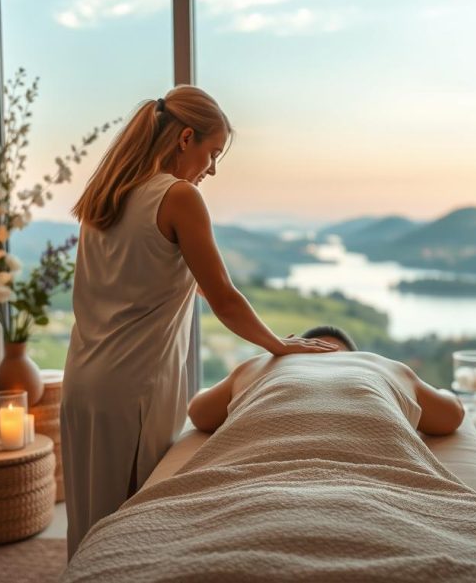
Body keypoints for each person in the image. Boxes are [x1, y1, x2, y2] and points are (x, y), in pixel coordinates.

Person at [61, 86, 338, 557]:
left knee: (91, 528)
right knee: (134, 530)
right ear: (185, 138)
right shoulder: (177, 197)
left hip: (83, 380)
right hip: (135, 386)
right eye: (212, 154)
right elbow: (224, 298)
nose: (210, 169)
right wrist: (279, 346)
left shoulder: (105, 196)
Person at [188, 325, 465, 436]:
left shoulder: (258, 366)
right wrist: (445, 391)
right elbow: (451, 416)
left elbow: (199, 413)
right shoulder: (385, 367)